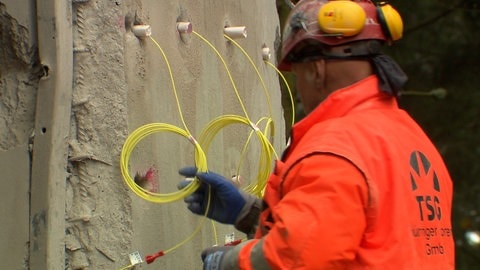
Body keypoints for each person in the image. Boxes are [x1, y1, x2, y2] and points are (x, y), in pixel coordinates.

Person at [178, 0, 455, 269]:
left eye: (297, 76)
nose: (299, 88)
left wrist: (228, 263)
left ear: (316, 70)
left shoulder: (335, 148)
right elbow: (369, 236)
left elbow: (297, 257)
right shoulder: (412, 139)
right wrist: (250, 214)